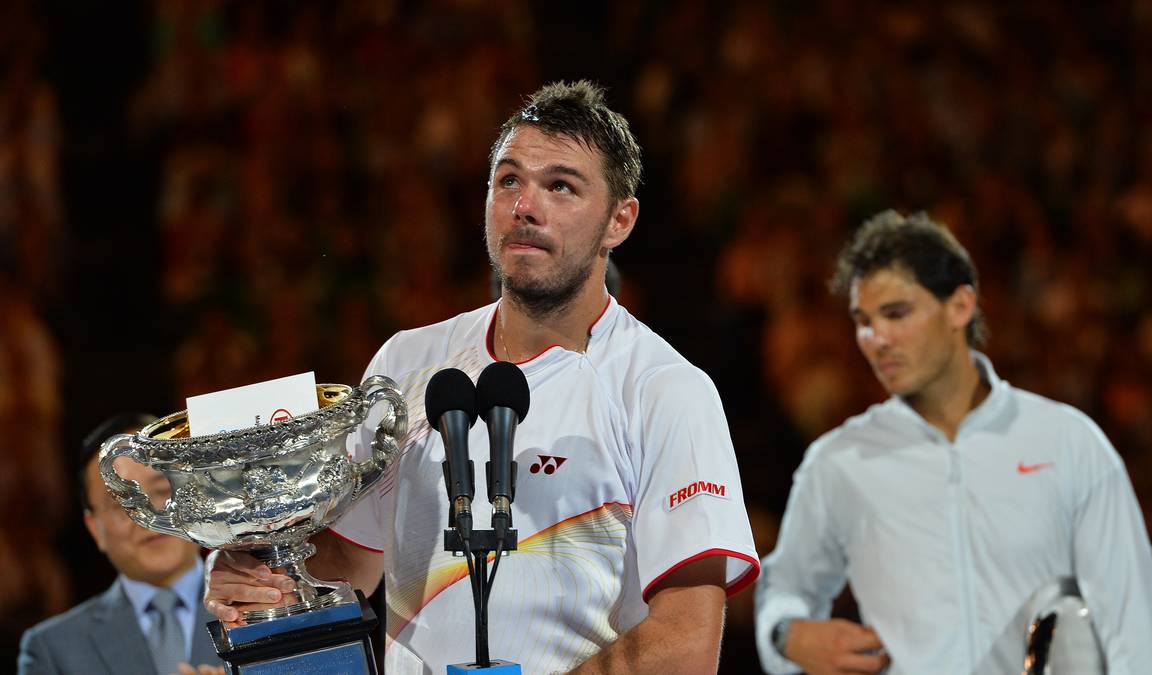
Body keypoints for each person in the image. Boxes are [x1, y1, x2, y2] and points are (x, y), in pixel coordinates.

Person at [206, 80, 760, 673]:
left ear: (618, 221)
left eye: (561, 187)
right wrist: (262, 576)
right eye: (509, 180)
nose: (525, 206)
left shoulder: (666, 388)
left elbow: (686, 644)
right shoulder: (404, 363)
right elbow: (349, 561)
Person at [754, 210, 1152, 674]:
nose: (875, 339)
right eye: (863, 320)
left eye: (896, 313)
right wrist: (788, 635)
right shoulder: (837, 462)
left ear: (959, 306)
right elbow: (782, 591)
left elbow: (1136, 631)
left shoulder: (1068, 442)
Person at [18, 413, 224, 675]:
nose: (148, 516)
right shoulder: (52, 649)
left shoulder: (260, 609)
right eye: (123, 502)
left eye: (162, 491)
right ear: (95, 529)